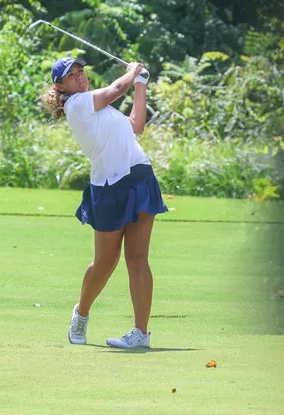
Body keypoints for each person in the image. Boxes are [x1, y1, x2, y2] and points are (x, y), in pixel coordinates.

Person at [41, 57, 169, 349]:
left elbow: (136, 125)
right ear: (60, 86)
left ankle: (141, 334)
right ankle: (81, 314)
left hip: (140, 177)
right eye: (71, 76)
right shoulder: (77, 105)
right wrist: (131, 71)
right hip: (109, 188)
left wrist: (140, 83)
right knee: (105, 263)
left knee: (137, 259)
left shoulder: (102, 109)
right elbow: (113, 90)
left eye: (81, 72)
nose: (79, 77)